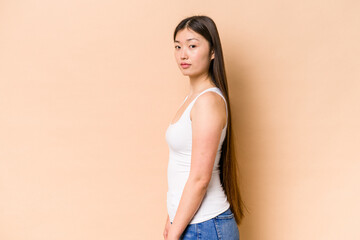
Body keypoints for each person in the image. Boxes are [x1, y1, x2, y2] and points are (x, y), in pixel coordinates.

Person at [163, 15, 246, 240]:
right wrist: (171, 217)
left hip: (205, 226)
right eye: (178, 47)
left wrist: (174, 233)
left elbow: (200, 178)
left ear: (212, 53)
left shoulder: (207, 102)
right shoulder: (193, 99)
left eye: (192, 46)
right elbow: (181, 167)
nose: (183, 54)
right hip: (189, 222)